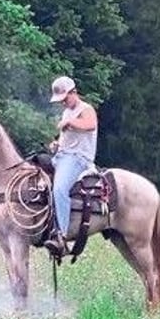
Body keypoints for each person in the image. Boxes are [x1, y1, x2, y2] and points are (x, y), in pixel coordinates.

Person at [43, 75, 98, 257]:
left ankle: (62, 235)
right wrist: (57, 144)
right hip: (63, 155)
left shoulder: (85, 109)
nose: (63, 103)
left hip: (78, 158)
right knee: (36, 166)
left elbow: (90, 125)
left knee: (59, 189)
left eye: (65, 99)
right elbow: (67, 138)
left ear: (73, 93)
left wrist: (69, 122)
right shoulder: (67, 112)